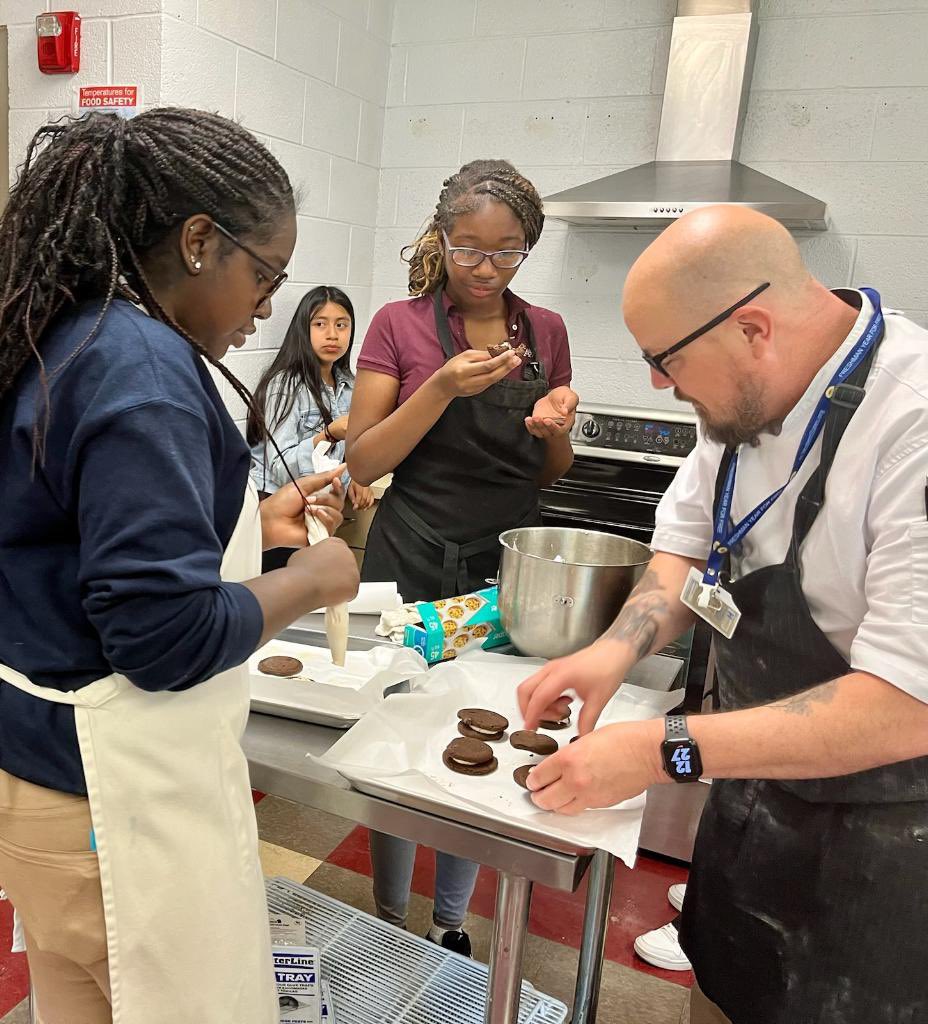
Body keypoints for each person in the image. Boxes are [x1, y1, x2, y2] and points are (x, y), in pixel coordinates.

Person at [518, 205, 928, 1024]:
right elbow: (683, 550)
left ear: (752, 328)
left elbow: (906, 705)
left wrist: (664, 747)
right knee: (722, 991)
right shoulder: (742, 398)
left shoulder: (911, 422)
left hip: (891, 848)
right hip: (753, 795)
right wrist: (613, 650)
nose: (658, 385)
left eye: (663, 359)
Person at [0, 108, 359, 1024]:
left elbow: (75, 531)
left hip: (39, 774)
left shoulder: (69, 333)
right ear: (200, 242)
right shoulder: (147, 371)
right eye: (266, 275)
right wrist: (312, 579)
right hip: (115, 798)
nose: (267, 308)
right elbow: (162, 637)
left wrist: (257, 527)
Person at [346, 159, 579, 955]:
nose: (485, 270)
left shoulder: (544, 332)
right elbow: (365, 463)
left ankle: (448, 921)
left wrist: (556, 431)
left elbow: (550, 471)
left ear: (528, 248)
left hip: (499, 564)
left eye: (506, 252)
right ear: (441, 240)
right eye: (468, 250)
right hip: (408, 552)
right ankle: (386, 914)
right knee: (394, 736)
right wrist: (440, 388)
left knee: (477, 735)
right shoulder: (396, 325)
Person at [247, 284, 374, 512]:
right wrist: (327, 435)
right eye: (320, 324)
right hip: (277, 508)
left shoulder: (350, 386)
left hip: (320, 506)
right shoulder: (285, 385)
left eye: (341, 325)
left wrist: (357, 477)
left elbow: (355, 450)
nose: (333, 334)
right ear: (303, 330)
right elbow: (280, 467)